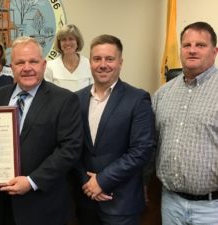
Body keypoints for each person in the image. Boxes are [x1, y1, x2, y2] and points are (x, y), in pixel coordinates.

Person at [0, 36, 83, 225]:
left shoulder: (64, 100)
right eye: (20, 62)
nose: (27, 67)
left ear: (44, 64)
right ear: (11, 67)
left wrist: (32, 181)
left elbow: (69, 150)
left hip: (45, 206)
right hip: (3, 205)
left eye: (33, 61)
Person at [74, 34, 155, 225]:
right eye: (97, 59)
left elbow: (142, 150)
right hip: (86, 201)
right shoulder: (76, 99)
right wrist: (86, 182)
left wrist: (102, 181)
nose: (103, 64)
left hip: (121, 204)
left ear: (120, 62)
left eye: (109, 59)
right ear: (90, 62)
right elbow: (71, 147)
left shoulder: (137, 99)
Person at [152, 21, 218, 225]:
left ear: (214, 51)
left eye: (200, 45)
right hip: (170, 202)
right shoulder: (163, 93)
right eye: (187, 45)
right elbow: (151, 143)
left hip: (212, 208)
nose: (192, 50)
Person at [44, 24, 93, 92]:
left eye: (71, 39)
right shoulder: (50, 66)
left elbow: (93, 92)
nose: (67, 43)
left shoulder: (89, 64)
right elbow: (47, 93)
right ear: (59, 43)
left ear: (77, 42)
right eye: (64, 40)